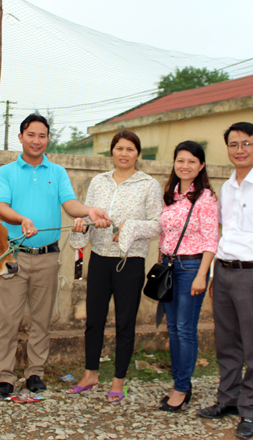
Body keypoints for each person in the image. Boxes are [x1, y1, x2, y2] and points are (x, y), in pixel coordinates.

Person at [0, 113, 111, 399]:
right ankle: (5, 377)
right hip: (14, 256)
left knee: (42, 319)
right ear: (20, 137)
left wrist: (88, 211)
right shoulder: (6, 172)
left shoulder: (57, 172)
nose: (36, 140)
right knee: (8, 319)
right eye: (31, 135)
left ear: (48, 139)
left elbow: (70, 204)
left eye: (42, 135)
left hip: (48, 257)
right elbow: (0, 207)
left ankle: (35, 373)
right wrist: (20, 219)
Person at [197, 122, 253, 440]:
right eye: (234, 144)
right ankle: (228, 400)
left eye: (246, 144)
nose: (240, 149)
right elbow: (223, 233)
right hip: (223, 273)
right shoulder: (227, 186)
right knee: (226, 344)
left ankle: (250, 412)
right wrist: (213, 275)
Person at [67, 130, 162, 403]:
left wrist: (130, 227)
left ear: (137, 153)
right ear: (112, 151)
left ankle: (119, 380)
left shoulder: (148, 185)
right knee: (93, 320)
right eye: (119, 148)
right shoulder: (99, 182)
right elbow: (87, 215)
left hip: (129, 263)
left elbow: (157, 224)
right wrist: (81, 223)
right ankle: (90, 374)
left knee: (125, 323)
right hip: (99, 258)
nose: (124, 153)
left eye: (130, 149)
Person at [157, 141, 219, 412]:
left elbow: (211, 239)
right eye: (180, 160)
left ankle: (181, 387)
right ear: (174, 163)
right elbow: (164, 233)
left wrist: (202, 275)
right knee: (173, 329)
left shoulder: (206, 198)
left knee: (185, 329)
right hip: (169, 266)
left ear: (201, 166)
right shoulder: (170, 195)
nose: (185, 166)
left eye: (192, 161)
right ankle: (180, 382)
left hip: (192, 268)